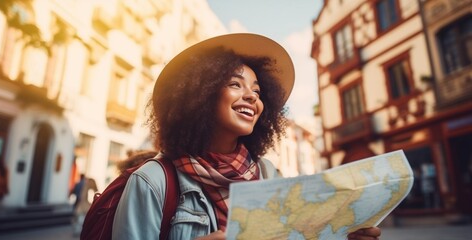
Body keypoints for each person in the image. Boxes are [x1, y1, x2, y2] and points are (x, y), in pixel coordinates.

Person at [111, 33, 381, 240]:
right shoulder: (152, 181)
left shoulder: (268, 173)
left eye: (257, 90)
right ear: (199, 95)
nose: (252, 96)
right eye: (234, 84)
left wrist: (341, 235)